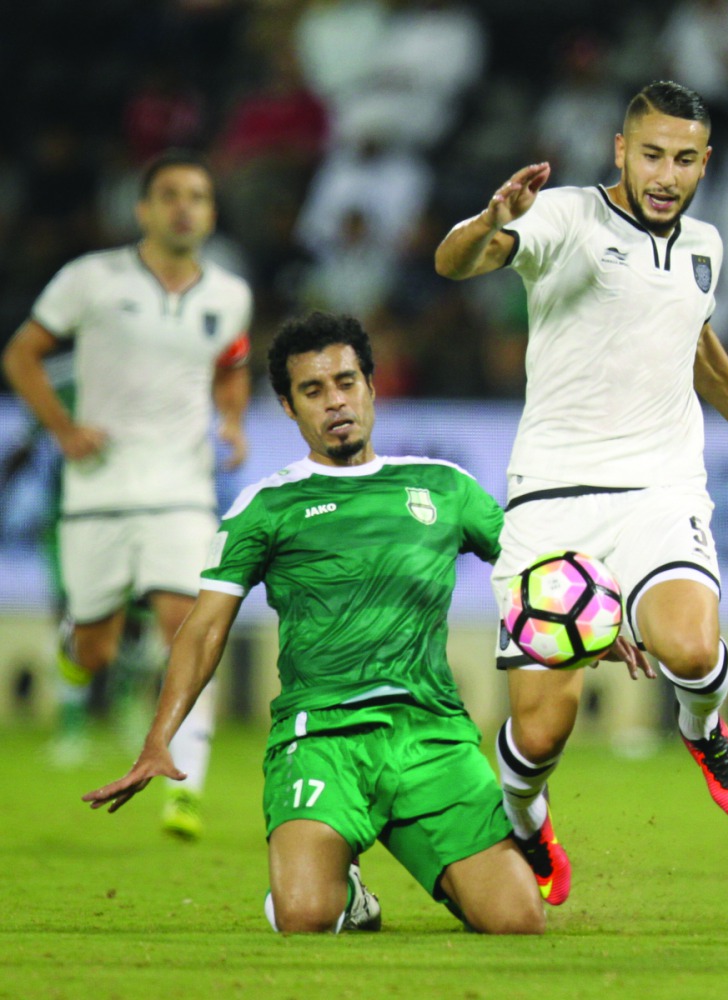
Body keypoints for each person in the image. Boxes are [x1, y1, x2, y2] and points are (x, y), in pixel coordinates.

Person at [434, 80, 728, 905]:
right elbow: (456, 262)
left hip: (658, 487)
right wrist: (490, 220)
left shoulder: (704, 245)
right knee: (541, 732)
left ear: (704, 164)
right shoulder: (564, 217)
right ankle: (524, 820)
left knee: (689, 648)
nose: (665, 174)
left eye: (684, 159)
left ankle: (702, 728)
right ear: (621, 150)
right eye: (651, 154)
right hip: (550, 499)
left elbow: (691, 335)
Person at [82, 311, 545, 936]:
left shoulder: (444, 488)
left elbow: (534, 577)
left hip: (431, 736)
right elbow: (204, 627)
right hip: (320, 737)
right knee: (304, 918)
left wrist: (600, 625)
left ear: (371, 386)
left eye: (346, 382)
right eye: (313, 390)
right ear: (288, 406)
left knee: (517, 922)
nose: (335, 401)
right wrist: (160, 737)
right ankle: (345, 892)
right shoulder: (267, 506)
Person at [2, 149, 253, 839]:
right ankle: (73, 647)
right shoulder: (90, 279)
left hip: (182, 489)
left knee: (188, 627)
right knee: (97, 650)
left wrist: (232, 421)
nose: (184, 207)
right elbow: (21, 354)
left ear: (210, 213)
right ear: (142, 209)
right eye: (170, 194)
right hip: (99, 490)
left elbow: (232, 364)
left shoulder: (228, 294)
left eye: (197, 196)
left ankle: (184, 788)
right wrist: (63, 429)